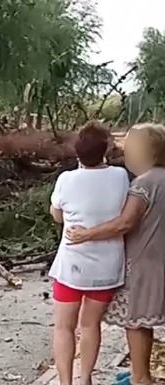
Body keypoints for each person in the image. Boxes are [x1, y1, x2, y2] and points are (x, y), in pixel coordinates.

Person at [66, 123, 165, 385]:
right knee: (146, 321)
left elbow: (124, 223)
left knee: (136, 322)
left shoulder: (143, 184)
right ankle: (138, 372)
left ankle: (140, 378)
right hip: (159, 261)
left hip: (142, 264)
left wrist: (86, 234)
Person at [48, 121, 129, 385]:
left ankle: (65, 382)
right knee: (90, 325)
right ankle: (85, 379)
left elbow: (57, 216)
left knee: (63, 327)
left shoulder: (66, 179)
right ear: (106, 149)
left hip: (73, 265)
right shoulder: (120, 176)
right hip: (107, 266)